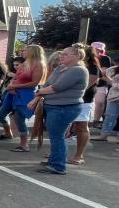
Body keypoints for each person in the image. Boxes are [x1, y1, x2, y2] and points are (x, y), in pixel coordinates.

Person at [27, 45, 89, 175]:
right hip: (54, 106)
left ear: (76, 56)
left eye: (65, 54)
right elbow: (47, 84)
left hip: (65, 108)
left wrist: (39, 92)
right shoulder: (61, 68)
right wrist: (37, 98)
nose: (61, 56)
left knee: (57, 137)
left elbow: (56, 87)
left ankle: (58, 165)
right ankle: (54, 160)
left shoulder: (78, 70)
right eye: (62, 54)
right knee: (55, 136)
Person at [1, 45, 45, 153]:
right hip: (14, 92)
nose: (22, 52)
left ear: (32, 52)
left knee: (19, 118)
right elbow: (15, 77)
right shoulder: (24, 63)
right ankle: (16, 138)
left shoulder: (38, 64)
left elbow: (34, 83)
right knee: (3, 114)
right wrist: (11, 85)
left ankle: (24, 144)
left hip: (26, 94)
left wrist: (15, 86)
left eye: (24, 50)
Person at [69, 45, 100, 165]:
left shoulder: (93, 67)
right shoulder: (71, 65)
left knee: (81, 126)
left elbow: (88, 84)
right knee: (63, 126)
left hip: (84, 99)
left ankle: (79, 155)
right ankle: (58, 151)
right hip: (68, 99)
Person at [0, 56, 25, 141]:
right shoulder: (12, 73)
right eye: (14, 65)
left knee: (18, 119)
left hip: (19, 99)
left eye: (17, 65)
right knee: (0, 115)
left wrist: (14, 77)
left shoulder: (25, 74)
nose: (15, 66)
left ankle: (23, 142)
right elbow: (8, 86)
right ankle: (8, 133)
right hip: (8, 97)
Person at [91, 42, 112, 127]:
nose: (97, 50)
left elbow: (102, 73)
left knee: (100, 103)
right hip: (89, 83)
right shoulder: (87, 57)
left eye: (99, 49)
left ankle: (96, 121)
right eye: (95, 48)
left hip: (101, 84)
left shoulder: (105, 58)